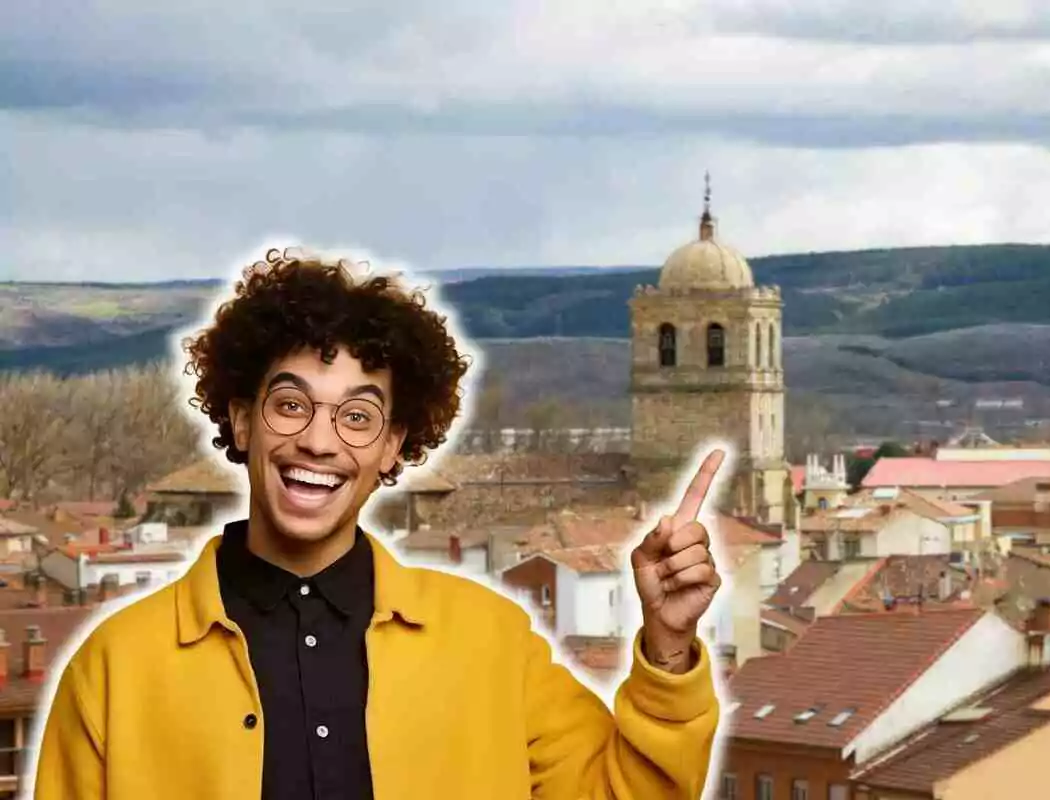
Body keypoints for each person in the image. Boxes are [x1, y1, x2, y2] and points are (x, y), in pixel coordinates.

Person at [32, 248, 725, 799]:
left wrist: (667, 648)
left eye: (357, 417)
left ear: (394, 445)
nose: (320, 442)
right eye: (290, 405)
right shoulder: (115, 669)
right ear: (241, 419)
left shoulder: (491, 642)